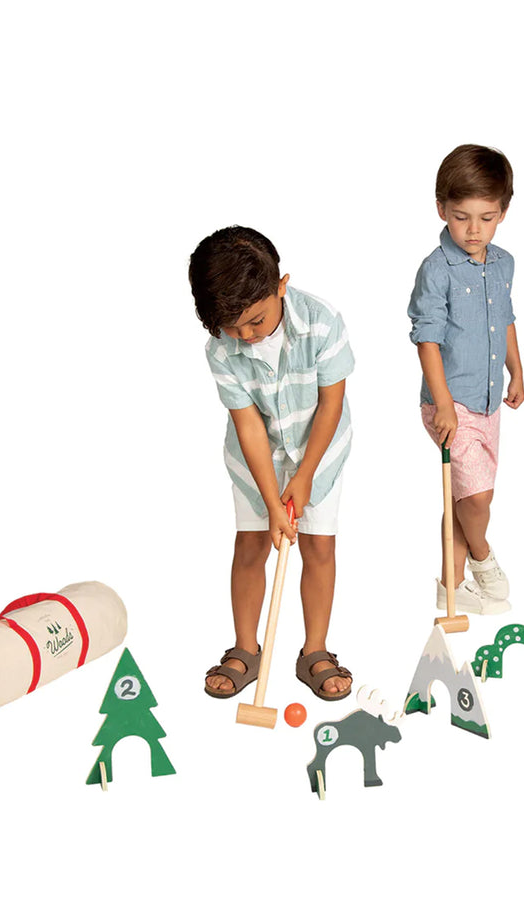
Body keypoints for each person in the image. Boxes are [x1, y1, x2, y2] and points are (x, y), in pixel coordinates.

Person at [189, 225, 354, 700]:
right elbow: (248, 427)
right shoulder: (221, 347)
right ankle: (245, 648)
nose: (244, 336)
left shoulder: (322, 323)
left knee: (318, 548)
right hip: (255, 460)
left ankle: (314, 651)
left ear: (281, 286)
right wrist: (271, 500)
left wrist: (304, 476)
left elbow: (331, 404)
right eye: (232, 326)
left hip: (318, 451)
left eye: (255, 321)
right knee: (251, 545)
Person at [407, 145, 524, 615]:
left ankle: (450, 587)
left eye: (486, 218)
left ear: (503, 213)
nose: (473, 230)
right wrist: (443, 404)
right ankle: (482, 555)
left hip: (489, 400)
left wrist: (517, 369)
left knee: (467, 496)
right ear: (442, 209)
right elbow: (427, 339)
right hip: (450, 403)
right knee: (475, 498)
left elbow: (506, 319)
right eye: (461, 217)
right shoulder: (437, 271)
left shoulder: (503, 263)